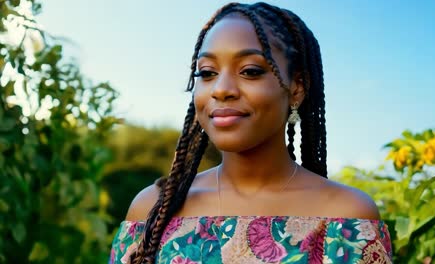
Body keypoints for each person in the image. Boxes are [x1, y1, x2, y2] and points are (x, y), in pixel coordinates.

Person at [109, 2, 393, 263]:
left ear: (297, 88)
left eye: (250, 71)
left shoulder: (346, 218)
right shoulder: (152, 211)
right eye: (207, 73)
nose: (221, 89)